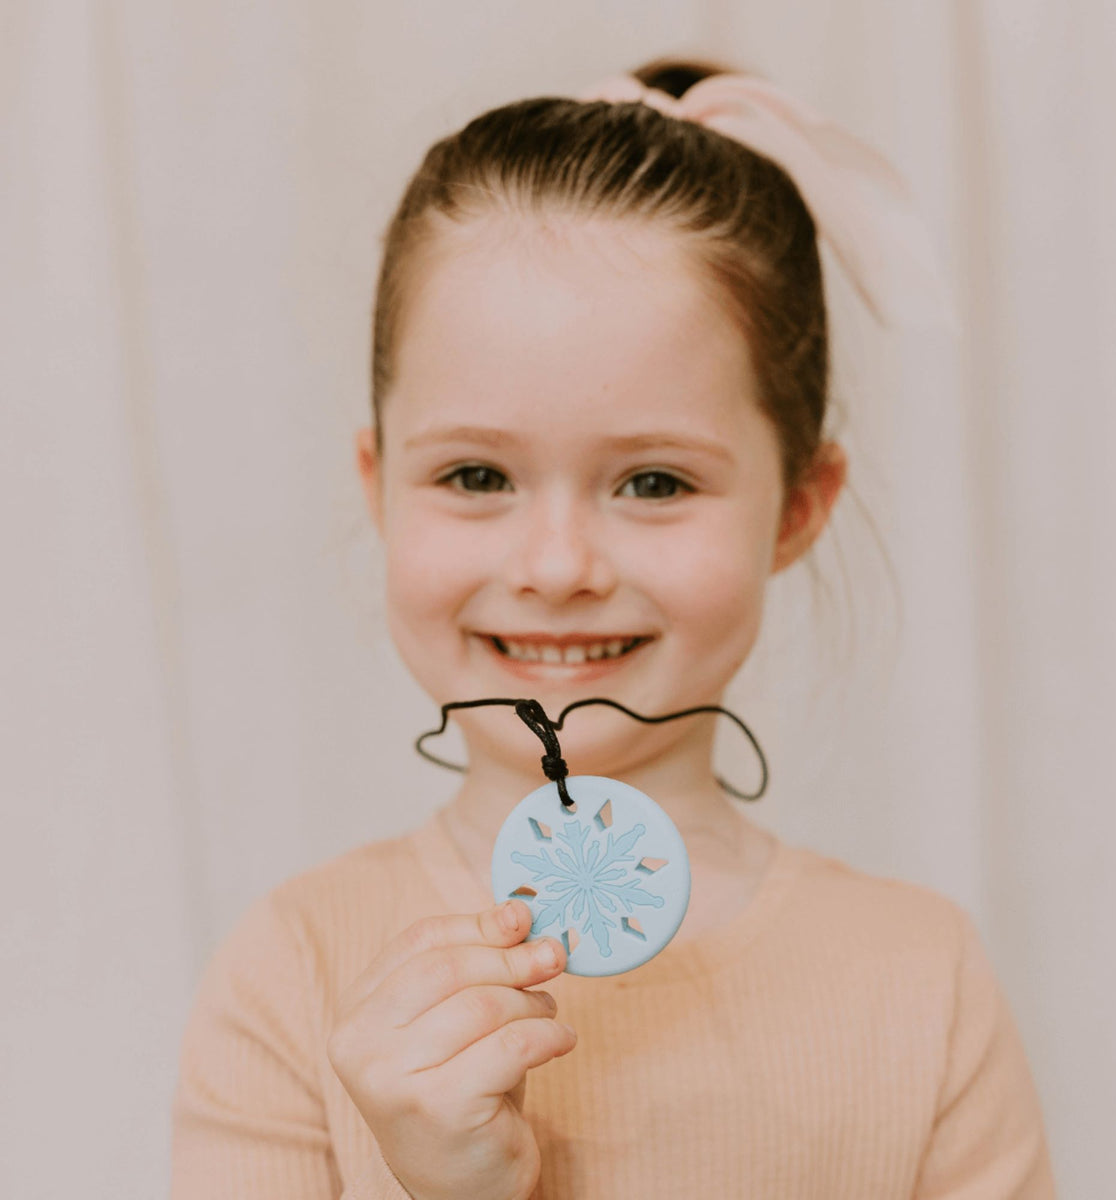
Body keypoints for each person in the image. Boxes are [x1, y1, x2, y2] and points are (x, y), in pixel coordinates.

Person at [170, 57, 1055, 1199]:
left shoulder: (923, 982)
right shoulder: (294, 975)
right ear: (377, 481)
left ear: (798, 505)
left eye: (652, 483)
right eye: (477, 473)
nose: (556, 567)